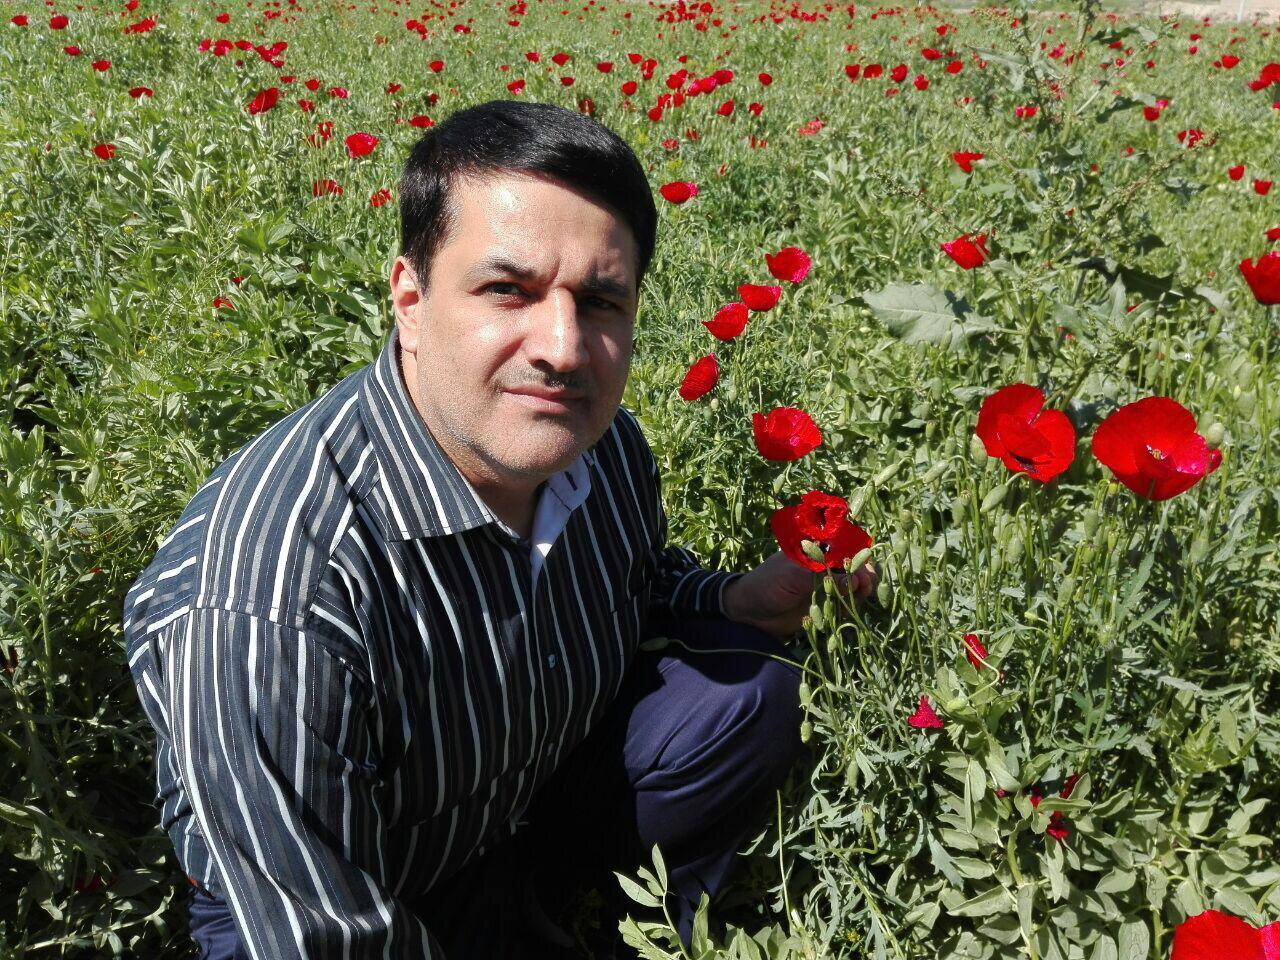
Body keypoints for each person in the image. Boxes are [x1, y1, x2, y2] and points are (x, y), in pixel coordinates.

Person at [123, 99, 877, 960]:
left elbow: (636, 580)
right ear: (411, 299)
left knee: (745, 697)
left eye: (600, 301)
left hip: (514, 801)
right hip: (345, 889)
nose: (562, 347)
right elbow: (311, 934)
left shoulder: (602, 449)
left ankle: (600, 917)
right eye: (507, 290)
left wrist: (734, 600)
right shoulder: (272, 604)